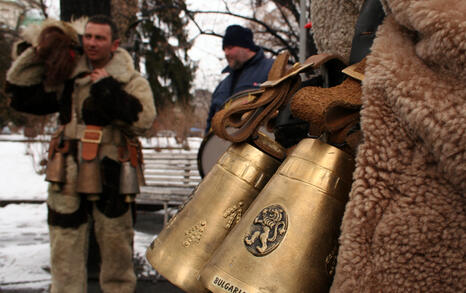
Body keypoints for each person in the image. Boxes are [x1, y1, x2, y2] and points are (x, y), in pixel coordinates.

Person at [6, 15, 156, 293]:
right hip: (67, 168)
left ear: (114, 44)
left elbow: (144, 120)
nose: (92, 43)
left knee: (116, 245)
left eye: (99, 38)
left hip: (112, 170)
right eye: (88, 37)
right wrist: (36, 54)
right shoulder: (66, 78)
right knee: (64, 242)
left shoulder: (131, 80)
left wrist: (107, 88)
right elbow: (21, 96)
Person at [205, 24, 274, 133]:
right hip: (223, 146)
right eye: (224, 49)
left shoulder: (272, 69)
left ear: (246, 47)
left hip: (259, 145)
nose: (226, 53)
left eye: (230, 48)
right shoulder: (222, 85)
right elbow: (211, 123)